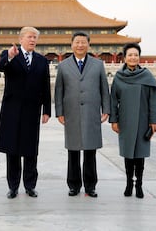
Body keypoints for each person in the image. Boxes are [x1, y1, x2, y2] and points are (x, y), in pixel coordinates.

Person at [0, 26, 51, 199]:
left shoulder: (42, 61)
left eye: (35, 37)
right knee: (12, 150)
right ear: (20, 40)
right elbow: (0, 66)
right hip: (12, 110)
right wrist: (11, 57)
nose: (32, 40)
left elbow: (45, 87)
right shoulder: (10, 54)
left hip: (32, 110)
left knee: (30, 149)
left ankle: (30, 185)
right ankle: (13, 186)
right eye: (29, 37)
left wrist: (46, 110)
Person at [54, 31, 110, 198]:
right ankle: (74, 185)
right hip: (71, 112)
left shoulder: (98, 64)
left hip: (92, 111)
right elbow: (59, 90)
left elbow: (104, 89)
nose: (80, 45)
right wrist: (59, 112)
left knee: (90, 151)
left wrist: (106, 109)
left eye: (83, 42)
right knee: (73, 150)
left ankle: (90, 186)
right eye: (77, 42)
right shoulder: (63, 65)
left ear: (88, 45)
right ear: (71, 45)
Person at [109, 43, 156, 199]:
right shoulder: (118, 77)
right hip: (125, 120)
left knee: (140, 154)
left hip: (143, 120)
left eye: (135, 55)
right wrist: (114, 120)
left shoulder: (147, 76)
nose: (133, 57)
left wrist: (154, 121)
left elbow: (153, 100)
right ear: (124, 58)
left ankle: (139, 185)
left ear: (139, 57)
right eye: (130, 55)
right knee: (128, 154)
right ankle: (129, 183)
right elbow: (113, 100)